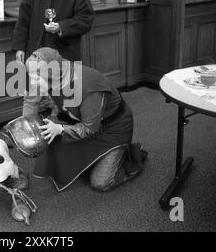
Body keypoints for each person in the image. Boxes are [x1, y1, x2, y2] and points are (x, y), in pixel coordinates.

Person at [23, 47, 147, 192]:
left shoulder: (88, 87)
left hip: (113, 128)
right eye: (30, 76)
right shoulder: (49, 76)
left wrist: (60, 130)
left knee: (101, 183)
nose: (32, 82)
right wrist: (27, 127)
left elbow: (89, 129)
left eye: (36, 78)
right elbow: (31, 102)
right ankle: (94, 157)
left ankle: (129, 157)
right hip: (78, 121)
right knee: (49, 138)